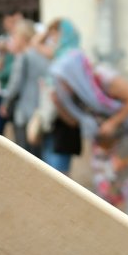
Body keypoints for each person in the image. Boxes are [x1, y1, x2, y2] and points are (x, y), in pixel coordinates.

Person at [49, 39, 128, 209]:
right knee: (104, 189)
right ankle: (109, 229)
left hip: (121, 139)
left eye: (65, 80)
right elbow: (73, 122)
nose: (62, 85)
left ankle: (119, 230)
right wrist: (58, 105)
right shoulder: (77, 93)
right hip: (101, 143)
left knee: (118, 188)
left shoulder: (103, 78)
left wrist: (112, 123)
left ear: (74, 74)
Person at [35, 19, 83, 174]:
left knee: (58, 176)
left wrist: (57, 99)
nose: (53, 38)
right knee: (50, 172)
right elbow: (36, 44)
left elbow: (70, 92)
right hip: (53, 119)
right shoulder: (59, 54)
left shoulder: (72, 58)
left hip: (64, 119)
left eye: (56, 33)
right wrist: (47, 31)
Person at [0, 19, 48, 156]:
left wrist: (5, 103)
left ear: (23, 37)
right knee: (38, 156)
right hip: (40, 111)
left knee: (24, 156)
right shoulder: (43, 55)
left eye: (15, 36)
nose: (12, 39)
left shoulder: (23, 56)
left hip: (24, 113)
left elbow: (15, 84)